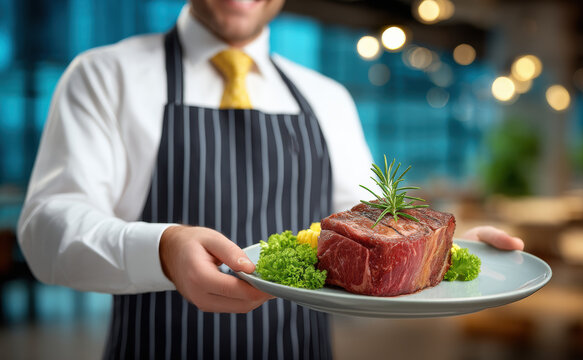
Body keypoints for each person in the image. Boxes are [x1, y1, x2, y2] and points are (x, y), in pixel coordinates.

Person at [18, 0, 524, 358]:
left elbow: (367, 228)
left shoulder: (327, 98)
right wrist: (163, 249)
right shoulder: (104, 75)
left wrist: (443, 253)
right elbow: (46, 230)